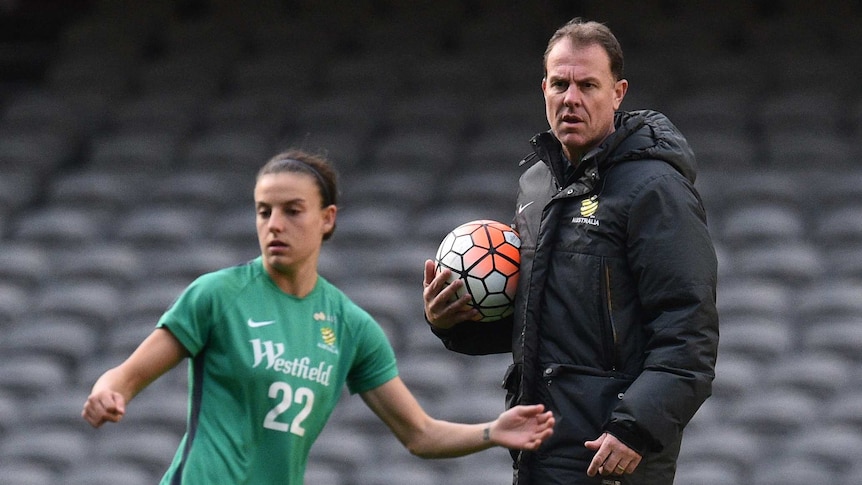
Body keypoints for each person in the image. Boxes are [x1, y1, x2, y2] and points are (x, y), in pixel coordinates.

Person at [82, 149, 555, 484]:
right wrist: (109, 393)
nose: (274, 225)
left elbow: (420, 434)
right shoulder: (216, 296)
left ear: (327, 218)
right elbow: (124, 378)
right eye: (264, 211)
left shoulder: (350, 326)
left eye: (292, 211)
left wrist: (493, 431)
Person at [422, 18, 718, 485]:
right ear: (544, 88)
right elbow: (542, 318)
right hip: (540, 452)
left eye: (587, 85)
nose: (571, 98)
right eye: (560, 83)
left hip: (613, 457)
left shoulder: (656, 190)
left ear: (618, 92)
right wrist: (453, 322)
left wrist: (634, 429)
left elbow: (689, 335)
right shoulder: (536, 184)